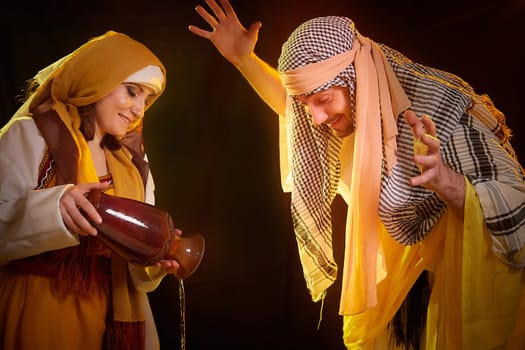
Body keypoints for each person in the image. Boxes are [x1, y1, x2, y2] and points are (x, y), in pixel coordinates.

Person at [189, 0, 525, 349]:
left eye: (324, 99)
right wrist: (244, 60)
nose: (316, 118)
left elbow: (516, 214)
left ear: (354, 80)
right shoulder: (348, 109)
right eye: (307, 104)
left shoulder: (442, 114)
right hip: (402, 291)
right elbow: (295, 110)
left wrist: (446, 182)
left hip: (465, 290)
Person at [0, 31, 181, 350]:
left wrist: (154, 259)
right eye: (132, 91)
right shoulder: (31, 134)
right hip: (39, 308)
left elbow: (137, 267)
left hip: (113, 313)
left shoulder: (133, 160)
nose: (140, 109)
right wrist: (55, 209)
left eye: (147, 99)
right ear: (97, 79)